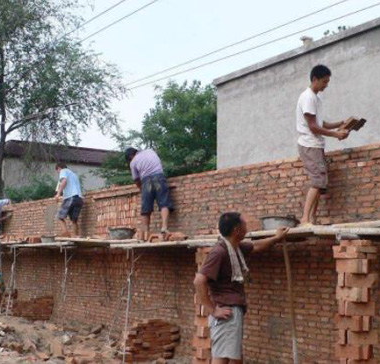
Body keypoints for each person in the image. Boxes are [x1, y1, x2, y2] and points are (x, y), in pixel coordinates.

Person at [193, 212, 289, 364]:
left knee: (231, 356)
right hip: (226, 312)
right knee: (224, 358)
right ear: (237, 230)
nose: (247, 227)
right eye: (245, 224)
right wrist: (212, 310)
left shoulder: (234, 247)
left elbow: (256, 246)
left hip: (231, 312)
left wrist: (276, 238)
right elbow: (199, 281)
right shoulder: (220, 251)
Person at [297, 65, 350, 226]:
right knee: (317, 181)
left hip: (316, 145)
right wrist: (336, 135)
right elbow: (313, 127)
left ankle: (312, 219)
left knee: (320, 184)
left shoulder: (316, 98)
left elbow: (321, 123)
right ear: (315, 79)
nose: (326, 85)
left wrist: (340, 124)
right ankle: (305, 219)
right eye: (324, 81)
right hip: (309, 144)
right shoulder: (308, 97)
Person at [125, 148, 174, 241]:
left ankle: (145, 235)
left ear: (130, 156)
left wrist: (141, 189)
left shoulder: (133, 162)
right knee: (164, 203)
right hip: (159, 177)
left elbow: (136, 180)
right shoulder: (150, 151)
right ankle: (164, 228)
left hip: (146, 181)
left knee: (146, 209)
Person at [55, 163, 84, 237]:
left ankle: (66, 234)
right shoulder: (74, 175)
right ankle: (76, 236)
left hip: (70, 197)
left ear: (59, 168)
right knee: (74, 220)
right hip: (79, 199)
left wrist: (58, 194)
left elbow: (64, 181)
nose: (58, 173)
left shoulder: (63, 171)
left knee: (60, 216)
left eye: (57, 171)